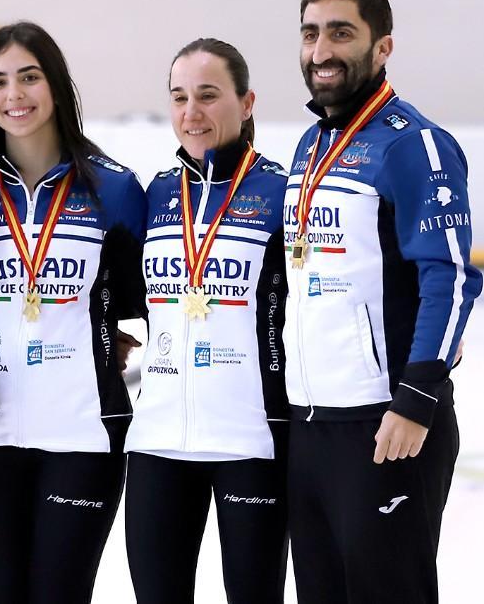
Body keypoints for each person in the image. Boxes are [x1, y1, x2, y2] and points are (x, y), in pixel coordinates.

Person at [0, 21, 147, 604]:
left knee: (61, 593)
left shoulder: (113, 189)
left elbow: (150, 295)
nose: (14, 94)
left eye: (29, 77)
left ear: (57, 87)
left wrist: (120, 334)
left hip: (82, 430)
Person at [285, 0, 482, 603]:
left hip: (387, 425)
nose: (322, 51)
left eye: (340, 33)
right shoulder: (311, 145)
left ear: (382, 46)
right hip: (312, 425)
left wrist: (417, 397)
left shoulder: (414, 145)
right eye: (311, 33)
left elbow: (448, 277)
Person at [122, 38, 289, 603]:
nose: (191, 113)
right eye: (179, 97)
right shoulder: (157, 195)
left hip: (252, 441)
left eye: (208, 96)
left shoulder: (283, 193)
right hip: (158, 442)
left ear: (246, 103)